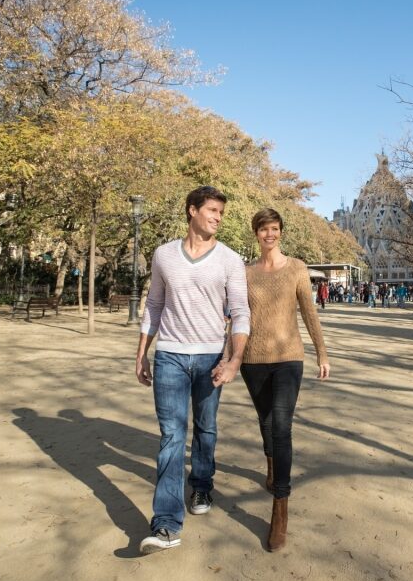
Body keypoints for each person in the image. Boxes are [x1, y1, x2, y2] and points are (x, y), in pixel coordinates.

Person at [135, 186, 251, 554]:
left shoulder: (230, 259)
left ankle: (201, 484)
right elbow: (154, 304)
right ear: (192, 210)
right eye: (212, 210)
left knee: (206, 427)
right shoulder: (163, 255)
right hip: (169, 354)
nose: (218, 217)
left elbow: (240, 313)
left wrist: (233, 360)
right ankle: (166, 524)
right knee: (171, 436)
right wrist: (141, 353)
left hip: (210, 358)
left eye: (221, 212)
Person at [242, 208, 329, 551]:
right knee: (265, 422)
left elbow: (309, 310)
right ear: (256, 233)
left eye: (275, 229)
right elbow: (236, 316)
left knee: (281, 426)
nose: (270, 234)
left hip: (289, 358)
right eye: (264, 229)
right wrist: (229, 356)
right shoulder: (245, 272)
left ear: (281, 232)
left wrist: (322, 352)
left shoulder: (296, 268)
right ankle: (271, 462)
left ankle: (280, 506)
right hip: (253, 360)